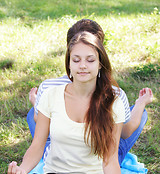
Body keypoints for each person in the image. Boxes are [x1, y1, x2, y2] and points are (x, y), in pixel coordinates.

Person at [8, 31, 133, 174]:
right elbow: (38, 144)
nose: (82, 65)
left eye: (90, 60)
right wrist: (23, 169)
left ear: (100, 64)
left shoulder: (113, 102)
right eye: (76, 60)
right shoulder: (52, 95)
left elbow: (110, 159)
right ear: (69, 65)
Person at [27, 19, 153, 165]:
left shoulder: (47, 87)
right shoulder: (115, 93)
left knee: (34, 114)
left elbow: (42, 124)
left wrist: (37, 103)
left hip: (60, 156)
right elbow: (126, 132)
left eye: (89, 59)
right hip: (97, 162)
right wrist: (140, 104)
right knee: (139, 114)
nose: (83, 65)